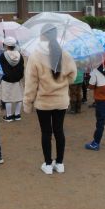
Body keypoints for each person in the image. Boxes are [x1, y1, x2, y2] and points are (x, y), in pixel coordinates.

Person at [24, 24, 76, 175]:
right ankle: (60, 163)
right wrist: (62, 83)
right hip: (61, 101)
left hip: (43, 102)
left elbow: (31, 83)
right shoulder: (64, 53)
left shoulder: (35, 55)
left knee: (46, 132)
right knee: (59, 131)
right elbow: (72, 75)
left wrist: (28, 103)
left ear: (42, 35)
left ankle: (47, 164)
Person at [0, 37, 24, 122]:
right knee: (19, 96)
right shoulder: (20, 55)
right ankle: (17, 115)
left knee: (7, 98)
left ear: (6, 45)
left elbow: (0, 68)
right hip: (17, 79)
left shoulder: (3, 55)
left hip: (6, 79)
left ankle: (9, 116)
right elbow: (22, 68)